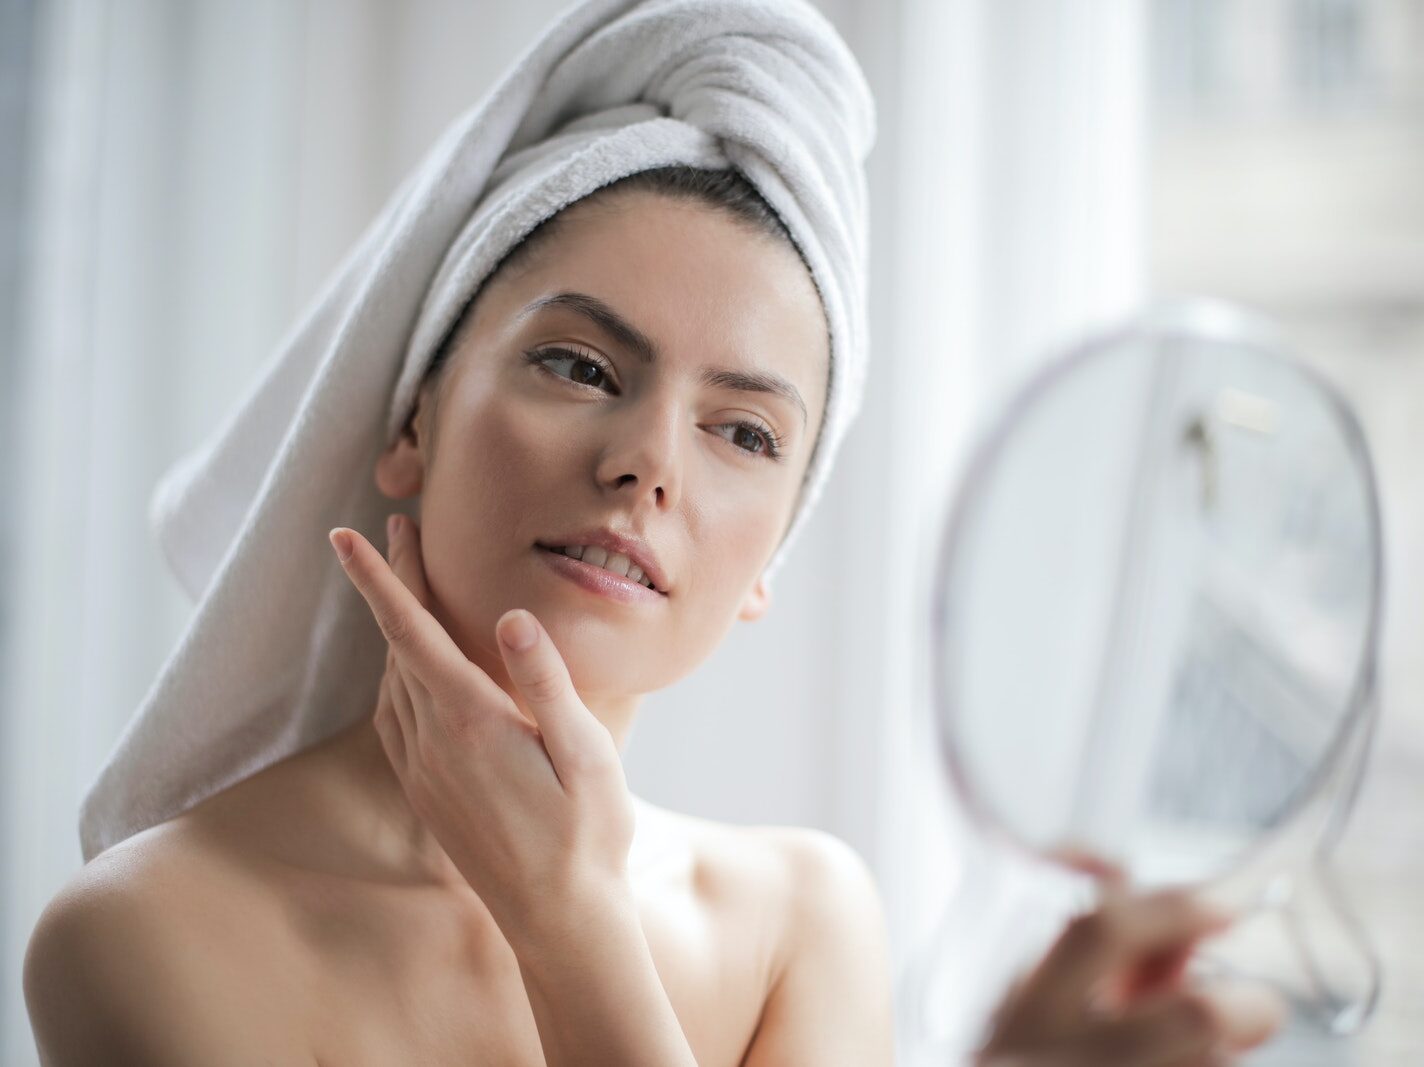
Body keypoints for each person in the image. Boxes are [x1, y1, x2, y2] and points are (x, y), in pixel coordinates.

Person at [22, 3, 1284, 1064]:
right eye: (578, 364)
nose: (646, 464)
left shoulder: (801, 923)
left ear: (770, 557)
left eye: (743, 432)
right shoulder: (148, 931)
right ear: (410, 421)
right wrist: (565, 919)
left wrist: (569, 918)